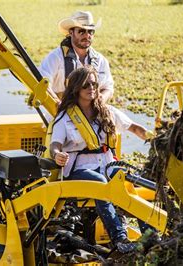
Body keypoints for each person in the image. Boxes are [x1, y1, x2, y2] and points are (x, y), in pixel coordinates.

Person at [49, 66, 153, 253]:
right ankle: (120, 239)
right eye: (86, 85)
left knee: (127, 179)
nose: (91, 88)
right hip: (78, 169)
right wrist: (58, 155)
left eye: (94, 84)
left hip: (106, 163)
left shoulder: (107, 112)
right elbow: (54, 145)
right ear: (76, 89)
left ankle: (150, 235)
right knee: (100, 183)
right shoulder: (64, 118)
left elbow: (136, 129)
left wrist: (158, 140)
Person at [40, 11, 114, 103]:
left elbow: (108, 88)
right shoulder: (55, 57)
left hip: (92, 112)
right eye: (81, 31)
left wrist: (101, 100)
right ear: (71, 32)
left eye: (90, 31)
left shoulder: (100, 60)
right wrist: (57, 104)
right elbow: (42, 84)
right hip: (59, 112)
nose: (87, 35)